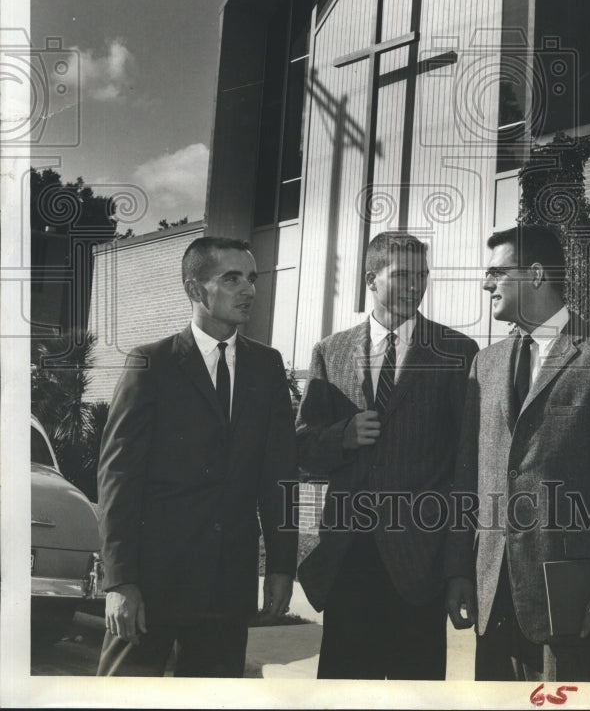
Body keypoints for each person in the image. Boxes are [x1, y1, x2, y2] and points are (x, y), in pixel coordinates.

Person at [445, 224, 590, 682]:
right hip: (493, 597)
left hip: (576, 603)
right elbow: (470, 477)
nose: (486, 285)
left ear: (537, 275)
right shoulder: (486, 364)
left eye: (496, 273)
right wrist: (459, 569)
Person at [96, 236, 298, 677]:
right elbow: (118, 479)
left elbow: (278, 474)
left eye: (251, 278)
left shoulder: (266, 367)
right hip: (151, 585)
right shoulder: (151, 364)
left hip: (226, 589)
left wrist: (283, 565)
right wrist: (121, 580)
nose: (248, 290)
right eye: (231, 279)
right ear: (195, 289)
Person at [295, 230, 478, 679]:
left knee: (416, 695)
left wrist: (457, 567)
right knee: (343, 694)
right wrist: (342, 436)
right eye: (402, 275)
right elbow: (301, 449)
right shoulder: (330, 350)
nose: (415, 285)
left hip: (421, 562)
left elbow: (467, 469)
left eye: (423, 275)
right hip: (347, 560)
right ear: (370, 280)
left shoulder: (457, 352)